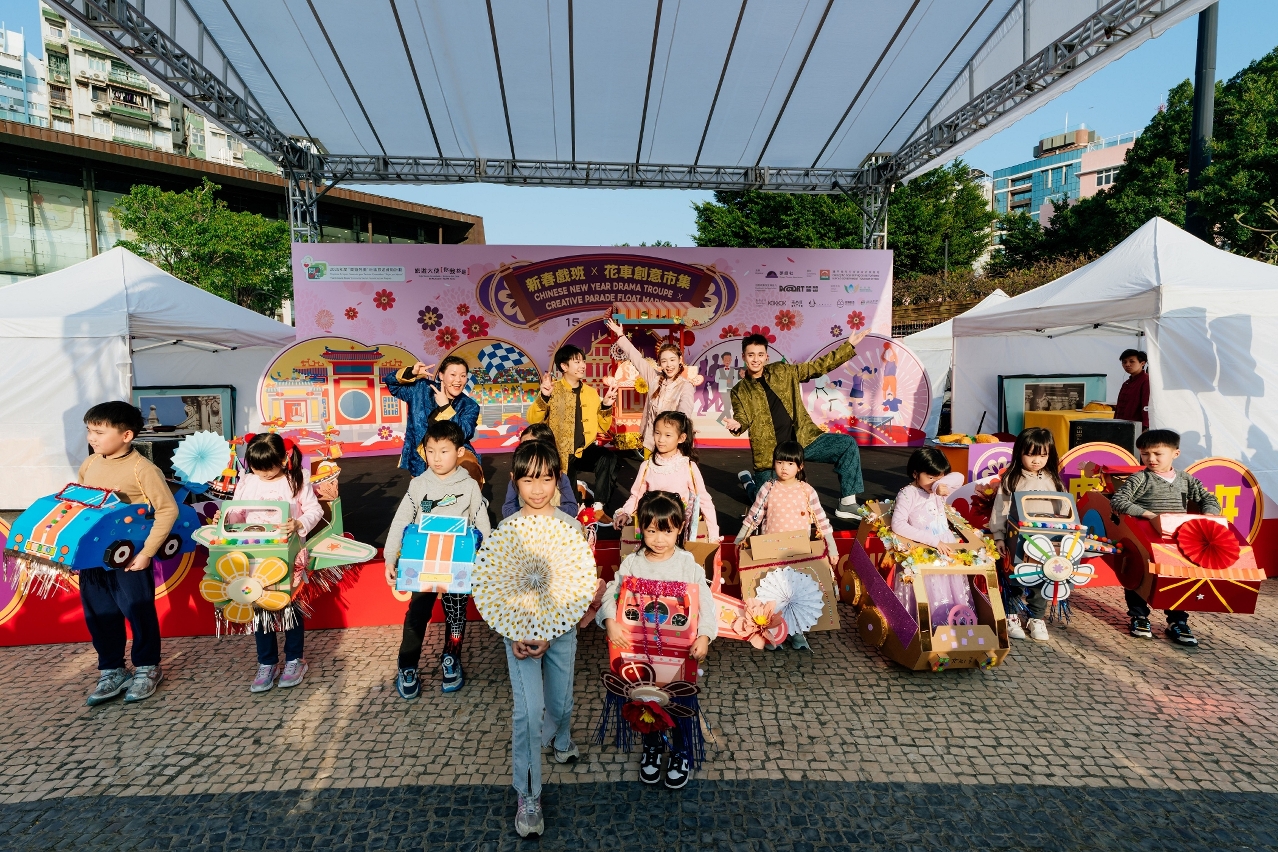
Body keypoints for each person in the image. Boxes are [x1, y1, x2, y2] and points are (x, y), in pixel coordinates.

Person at [598, 491, 715, 789]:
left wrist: (704, 635)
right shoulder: (632, 563)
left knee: (678, 702)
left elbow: (706, 605)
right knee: (646, 701)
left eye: (667, 531)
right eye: (651, 531)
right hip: (640, 652)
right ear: (641, 529)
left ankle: (681, 751)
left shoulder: (688, 565)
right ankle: (652, 747)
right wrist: (610, 620)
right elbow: (612, 594)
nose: (659, 539)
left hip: (679, 653)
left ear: (680, 528)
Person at [500, 440, 586, 838]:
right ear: (514, 481)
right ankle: (529, 794)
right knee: (528, 712)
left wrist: (550, 631)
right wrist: (514, 632)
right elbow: (495, 590)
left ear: (558, 481)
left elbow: (577, 587)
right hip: (517, 634)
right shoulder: (506, 531)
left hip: (561, 631)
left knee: (561, 705)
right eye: (529, 479)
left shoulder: (571, 527)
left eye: (546, 479)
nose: (537, 489)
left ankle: (559, 737)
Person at [77, 401, 179, 706]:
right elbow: (80, 508)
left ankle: (148, 667)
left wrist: (146, 553)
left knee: (138, 612)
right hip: (92, 560)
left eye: (99, 432)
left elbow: (167, 510)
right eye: (89, 431)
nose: (91, 438)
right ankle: (112, 670)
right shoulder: (90, 463)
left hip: (129, 559)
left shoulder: (143, 469)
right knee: (99, 615)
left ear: (126, 435)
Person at [383, 420, 492, 696]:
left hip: (457, 566)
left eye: (444, 451)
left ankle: (451, 659)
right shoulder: (418, 485)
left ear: (459, 452)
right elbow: (400, 521)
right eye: (430, 451)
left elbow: (483, 525)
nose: (436, 458)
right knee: (417, 614)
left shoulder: (470, 486)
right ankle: (407, 666)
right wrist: (390, 557)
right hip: (423, 564)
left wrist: (486, 559)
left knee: (455, 614)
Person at [724, 331, 868, 518]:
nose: (756, 359)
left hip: (803, 441)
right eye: (751, 355)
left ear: (767, 357)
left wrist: (848, 346)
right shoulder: (739, 391)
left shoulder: (783, 371)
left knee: (846, 445)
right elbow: (742, 417)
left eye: (760, 354)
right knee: (766, 505)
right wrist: (738, 424)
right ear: (744, 357)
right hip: (770, 455)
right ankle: (749, 484)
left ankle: (847, 503)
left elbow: (817, 367)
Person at [227, 433, 323, 691]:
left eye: (268, 468)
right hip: (255, 555)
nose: (263, 474)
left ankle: (294, 659)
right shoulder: (247, 481)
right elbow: (237, 512)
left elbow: (315, 510)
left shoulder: (296, 479)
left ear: (283, 459)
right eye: (257, 468)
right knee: (261, 608)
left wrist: (299, 523)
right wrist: (226, 519)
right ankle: (267, 662)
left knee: (290, 608)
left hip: (289, 554)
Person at [1110, 429, 1220, 646]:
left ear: (1175, 454)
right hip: (1144, 538)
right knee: (1139, 575)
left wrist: (1209, 514)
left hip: (1177, 539)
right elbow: (1118, 500)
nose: (1151, 459)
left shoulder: (1186, 480)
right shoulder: (1140, 478)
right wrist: (1148, 515)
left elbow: (1208, 498)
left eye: (1158, 454)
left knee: (1177, 578)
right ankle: (1139, 617)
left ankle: (1177, 621)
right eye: (1145, 454)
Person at [736, 441, 839, 651]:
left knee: (795, 594)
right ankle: (773, 632)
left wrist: (833, 548)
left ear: (800, 466)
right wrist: (739, 540)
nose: (784, 468)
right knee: (772, 593)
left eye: (790, 463)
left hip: (797, 553)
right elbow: (753, 517)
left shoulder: (807, 491)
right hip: (770, 551)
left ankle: (797, 632)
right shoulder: (768, 488)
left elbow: (821, 521)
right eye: (780, 462)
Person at [989, 427, 1066, 643]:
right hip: (1016, 538)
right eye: (1031, 454)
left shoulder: (1054, 480)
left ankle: (1036, 618)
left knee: (1041, 578)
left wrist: (1062, 535)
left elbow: (1064, 509)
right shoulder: (1012, 479)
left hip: (1046, 541)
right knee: (1014, 577)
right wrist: (999, 536)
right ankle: (1011, 616)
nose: (1036, 461)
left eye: (1043, 455)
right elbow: (1000, 509)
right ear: (1019, 452)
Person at [528, 344, 619, 508]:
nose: (582, 365)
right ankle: (575, 499)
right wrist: (544, 396)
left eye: (583, 361)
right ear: (564, 366)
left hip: (584, 449)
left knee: (608, 458)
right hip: (561, 452)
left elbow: (602, 427)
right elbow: (533, 420)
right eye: (577, 362)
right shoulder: (553, 389)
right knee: (571, 501)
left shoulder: (590, 393)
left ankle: (599, 504)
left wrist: (605, 405)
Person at [613, 411, 718, 542]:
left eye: (668, 435)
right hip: (651, 531)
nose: (661, 439)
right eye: (657, 433)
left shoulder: (688, 466)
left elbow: (704, 500)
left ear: (681, 438)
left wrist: (713, 534)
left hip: (678, 532)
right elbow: (636, 496)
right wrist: (625, 513)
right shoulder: (647, 466)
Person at [604, 318, 695, 453]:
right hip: (651, 441)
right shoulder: (654, 378)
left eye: (672, 360)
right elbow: (636, 358)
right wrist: (620, 335)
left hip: (673, 444)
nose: (669, 365)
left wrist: (679, 427)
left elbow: (685, 409)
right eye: (664, 361)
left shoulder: (685, 386)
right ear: (660, 363)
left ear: (680, 360)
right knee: (648, 467)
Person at [385, 354, 481, 476]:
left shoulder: (470, 406)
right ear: (441, 375)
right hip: (421, 460)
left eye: (463, 376)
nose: (458, 380)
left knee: (466, 472)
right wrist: (411, 372)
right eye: (453, 375)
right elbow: (393, 385)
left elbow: (465, 433)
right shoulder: (421, 389)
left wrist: (446, 407)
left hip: (454, 461)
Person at [890, 448, 963, 554]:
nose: (934, 483)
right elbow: (898, 524)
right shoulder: (908, 494)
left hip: (947, 543)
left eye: (940, 478)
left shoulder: (939, 489)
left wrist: (938, 484)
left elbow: (960, 477)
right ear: (915, 474)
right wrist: (934, 542)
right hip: (926, 548)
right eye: (931, 478)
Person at [500, 423, 578, 519]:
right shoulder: (518, 477)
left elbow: (571, 507)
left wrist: (546, 513)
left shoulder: (561, 477)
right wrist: (529, 514)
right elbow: (508, 509)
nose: (537, 491)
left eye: (546, 479)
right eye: (524, 446)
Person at [1115, 349, 1150, 431]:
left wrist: (1145, 427)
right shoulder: (1126, 383)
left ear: (1142, 363)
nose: (1127, 364)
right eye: (1124, 362)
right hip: (1121, 427)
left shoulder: (1146, 381)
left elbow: (1147, 406)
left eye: (1132, 361)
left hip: (1137, 428)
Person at [714, 352, 739, 426]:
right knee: (727, 407)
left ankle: (720, 419)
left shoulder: (734, 371)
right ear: (722, 360)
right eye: (725, 359)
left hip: (731, 389)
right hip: (723, 389)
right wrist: (725, 381)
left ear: (731, 360)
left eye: (729, 359)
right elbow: (716, 380)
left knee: (728, 407)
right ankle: (729, 421)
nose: (727, 361)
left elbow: (737, 379)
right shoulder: (719, 370)